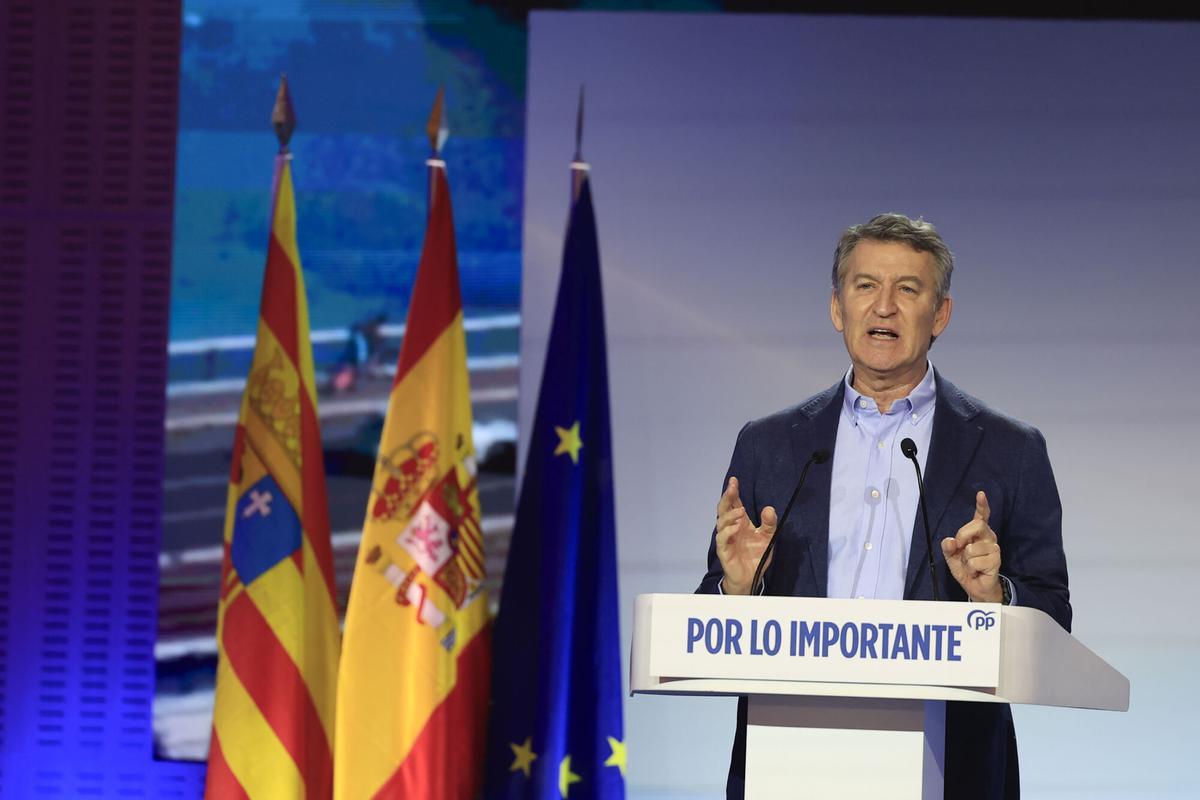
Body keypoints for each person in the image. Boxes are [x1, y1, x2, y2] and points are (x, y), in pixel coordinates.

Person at [697, 213, 1070, 800]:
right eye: (865, 286)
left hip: (952, 770)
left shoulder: (1009, 450)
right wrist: (737, 591)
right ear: (837, 308)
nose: (884, 307)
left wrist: (995, 598)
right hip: (787, 765)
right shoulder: (769, 443)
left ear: (940, 314)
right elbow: (708, 614)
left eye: (908, 290)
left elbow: (1053, 614)